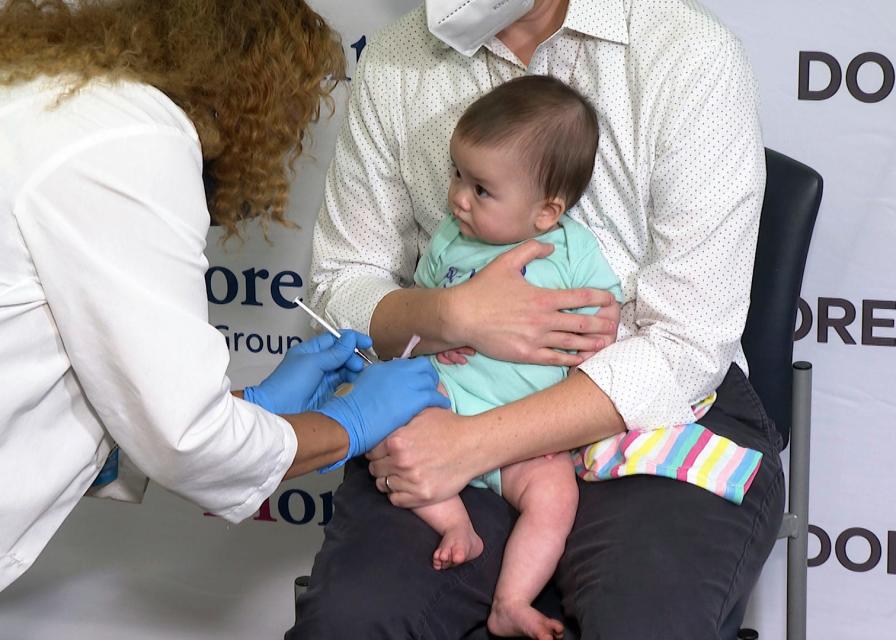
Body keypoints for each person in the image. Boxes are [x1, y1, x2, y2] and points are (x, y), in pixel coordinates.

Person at [0, 2, 449, 639]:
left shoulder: (40, 102)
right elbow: (186, 440)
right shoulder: (131, 139)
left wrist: (250, 407)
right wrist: (346, 424)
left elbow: (59, 356)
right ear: (257, 89)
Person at [291, 0, 785, 638]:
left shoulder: (684, 51)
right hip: (452, 393)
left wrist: (477, 445)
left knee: (646, 623)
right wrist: (452, 313)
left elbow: (689, 342)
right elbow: (341, 283)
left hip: (660, 411)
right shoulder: (399, 60)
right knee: (352, 623)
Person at [409, 74, 622, 639]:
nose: (457, 196)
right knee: (390, 430)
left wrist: (597, 332)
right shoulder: (449, 240)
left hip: (528, 436)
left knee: (556, 497)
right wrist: (442, 327)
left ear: (546, 213)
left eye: (481, 189)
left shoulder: (572, 249)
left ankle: (512, 600)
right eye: (458, 174)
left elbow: (604, 313)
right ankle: (455, 522)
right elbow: (426, 302)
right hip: (446, 404)